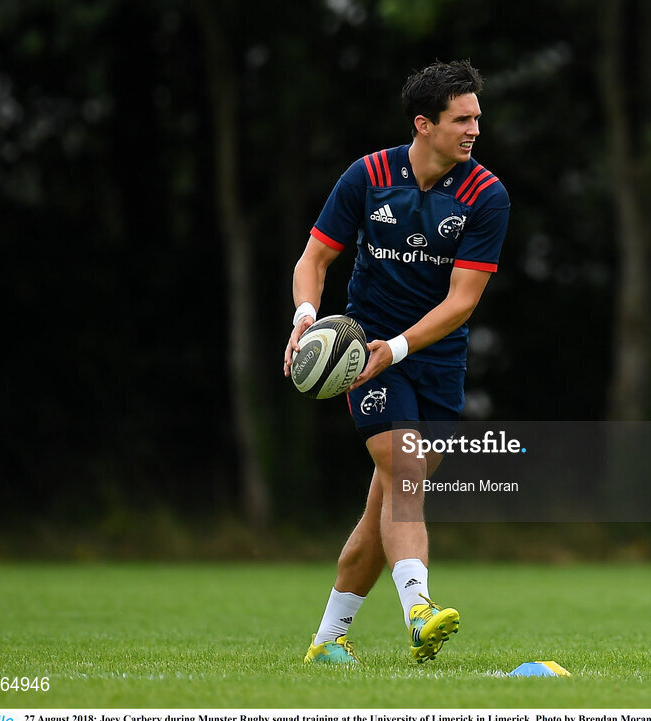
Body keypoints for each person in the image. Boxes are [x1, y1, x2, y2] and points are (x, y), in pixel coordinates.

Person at [282, 59, 510, 664]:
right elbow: (314, 261)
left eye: (477, 118)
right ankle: (419, 610)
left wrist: (401, 349)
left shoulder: (486, 196)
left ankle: (328, 641)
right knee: (402, 470)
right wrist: (307, 319)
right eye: (462, 119)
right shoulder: (368, 176)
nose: (475, 130)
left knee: (386, 497)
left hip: (433, 358)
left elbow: (462, 303)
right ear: (424, 124)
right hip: (362, 350)